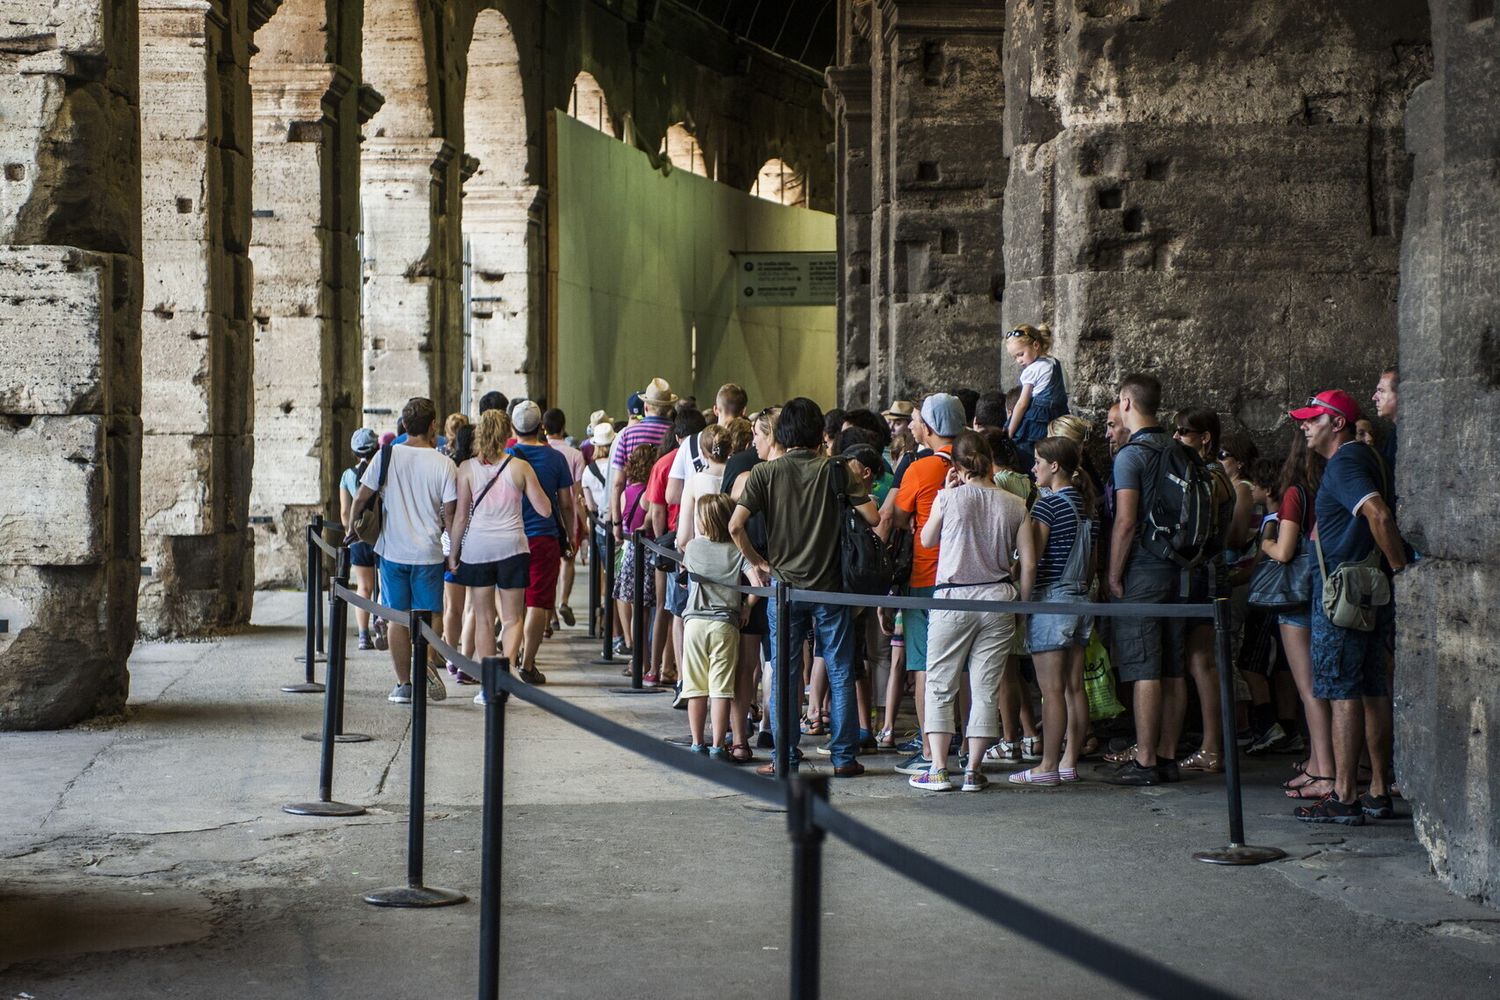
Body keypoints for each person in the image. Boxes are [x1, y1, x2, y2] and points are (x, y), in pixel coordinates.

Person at [731, 397, 877, 778]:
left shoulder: (766, 474)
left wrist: (760, 563)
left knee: (784, 671)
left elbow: (734, 526)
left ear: (782, 434)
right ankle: (844, 757)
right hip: (830, 588)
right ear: (819, 434)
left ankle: (785, 757)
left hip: (784, 588)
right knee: (841, 669)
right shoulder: (836, 470)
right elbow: (873, 517)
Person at [1291, 389, 1405, 825]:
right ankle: (1376, 789)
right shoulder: (1368, 457)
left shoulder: (1344, 463)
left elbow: (1377, 514)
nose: (1305, 426)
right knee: (1373, 689)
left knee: (1341, 691)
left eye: (1312, 418)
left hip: (1343, 594)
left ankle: (1343, 795)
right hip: (1369, 590)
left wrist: (1401, 569)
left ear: (1336, 423)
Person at [908, 432, 1032, 792]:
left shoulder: (948, 498)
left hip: (952, 601)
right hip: (997, 601)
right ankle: (974, 770)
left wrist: (948, 492)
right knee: (985, 689)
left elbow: (928, 540)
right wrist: (1020, 607)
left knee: (940, 685)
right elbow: (1028, 560)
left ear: (958, 467)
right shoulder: (1014, 504)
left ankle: (937, 768)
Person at [1100, 374, 1186, 785]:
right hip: (1179, 568)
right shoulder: (1177, 448)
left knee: (1144, 666)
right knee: (1171, 664)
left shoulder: (1130, 456)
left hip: (1143, 570)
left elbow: (1126, 520)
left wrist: (1113, 573)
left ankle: (1146, 758)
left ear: (1127, 402)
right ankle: (1168, 754)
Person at [347, 397, 455, 705]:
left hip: (393, 552)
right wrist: (454, 546)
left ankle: (403, 683)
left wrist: (352, 528)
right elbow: (450, 515)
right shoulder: (444, 463)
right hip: (429, 552)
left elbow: (361, 497)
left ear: (404, 425)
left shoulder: (386, 456)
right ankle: (428, 664)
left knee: (396, 617)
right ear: (433, 426)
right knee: (432, 613)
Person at [447, 409, 552, 698]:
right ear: (508, 433)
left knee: (482, 618)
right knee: (511, 619)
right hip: (512, 548)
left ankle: (487, 685)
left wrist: (454, 553)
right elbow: (544, 509)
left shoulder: (467, 468)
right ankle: (505, 675)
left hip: (477, 548)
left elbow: (460, 518)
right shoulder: (520, 467)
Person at [1013, 436, 1099, 786]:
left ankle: (1047, 765)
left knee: (1050, 691)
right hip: (1081, 598)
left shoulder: (1047, 506)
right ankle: (1068, 760)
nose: (1033, 468)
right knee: (1074, 688)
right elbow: (1093, 561)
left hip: (1051, 600)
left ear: (1054, 466)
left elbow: (1033, 560)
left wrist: (1023, 604)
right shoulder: (1085, 504)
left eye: (1037, 462)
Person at [889, 393, 967, 776]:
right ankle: (967, 744)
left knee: (924, 664)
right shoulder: (972, 460)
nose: (913, 425)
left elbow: (900, 520)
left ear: (931, 428)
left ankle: (927, 746)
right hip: (969, 577)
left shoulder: (919, 470)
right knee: (967, 666)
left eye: (917, 419)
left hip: (926, 576)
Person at [1265, 433, 1334, 799]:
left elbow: (1284, 551)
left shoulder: (1296, 494)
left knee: (1309, 690)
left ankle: (1324, 768)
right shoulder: (1329, 485)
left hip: (1297, 599)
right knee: (1326, 686)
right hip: (1326, 592)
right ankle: (1318, 760)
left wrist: (1265, 538)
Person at [506, 399, 575, 685]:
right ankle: (528, 662)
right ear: (541, 427)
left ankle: (508, 659)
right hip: (543, 536)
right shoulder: (556, 459)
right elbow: (566, 504)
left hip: (509, 534)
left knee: (514, 599)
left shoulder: (507, 455)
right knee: (537, 601)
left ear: (513, 427)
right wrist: (569, 536)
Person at [680, 494, 749, 760]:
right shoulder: (736, 549)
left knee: (696, 687)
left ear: (703, 520)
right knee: (721, 688)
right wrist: (748, 606)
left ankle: (698, 744)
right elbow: (755, 580)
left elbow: (685, 577)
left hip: (695, 623)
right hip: (725, 625)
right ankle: (719, 747)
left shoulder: (693, 547)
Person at [611, 378, 677, 540]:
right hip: (665, 512)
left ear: (645, 407)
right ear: (669, 409)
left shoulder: (628, 433)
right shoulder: (675, 435)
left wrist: (616, 523)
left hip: (632, 508)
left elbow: (618, 482)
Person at [543, 407, 586, 629]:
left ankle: (549, 613)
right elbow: (578, 494)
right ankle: (563, 601)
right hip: (567, 513)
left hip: (547, 514)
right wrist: (582, 523)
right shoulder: (575, 454)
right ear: (563, 427)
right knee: (567, 559)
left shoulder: (542, 451)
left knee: (548, 566)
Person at [339, 428, 381, 650]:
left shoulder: (347, 476)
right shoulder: (381, 473)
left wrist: (351, 532)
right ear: (376, 449)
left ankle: (364, 636)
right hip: (381, 537)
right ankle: (382, 624)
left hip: (357, 537)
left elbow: (345, 512)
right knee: (383, 587)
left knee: (363, 587)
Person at [1005, 323, 1069, 463]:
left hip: (1038, 419)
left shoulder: (1032, 370)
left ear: (1035, 345)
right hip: (1059, 415)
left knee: (1025, 451)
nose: (1019, 361)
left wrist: (1010, 431)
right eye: (1015, 357)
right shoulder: (1054, 363)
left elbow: (1022, 403)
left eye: (1021, 354)